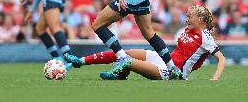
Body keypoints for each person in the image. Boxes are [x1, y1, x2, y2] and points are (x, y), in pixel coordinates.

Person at [64, 5, 226, 80]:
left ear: (201, 19)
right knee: (124, 53)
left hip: (172, 73)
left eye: (190, 16)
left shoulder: (206, 37)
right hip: (165, 60)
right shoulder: (187, 30)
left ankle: (119, 74)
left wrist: (215, 79)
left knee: (126, 61)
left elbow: (221, 59)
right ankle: (81, 61)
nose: (186, 18)